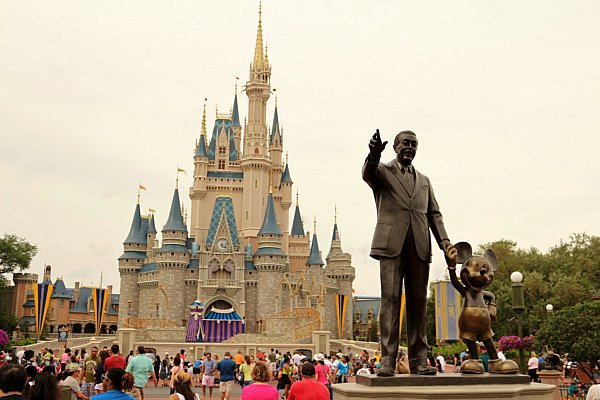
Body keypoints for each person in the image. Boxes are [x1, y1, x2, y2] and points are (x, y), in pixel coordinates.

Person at [363, 129, 452, 376]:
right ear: (395, 147)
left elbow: (434, 214)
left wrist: (445, 242)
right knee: (390, 299)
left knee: (418, 302)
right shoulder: (383, 171)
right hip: (391, 244)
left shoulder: (424, 180)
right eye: (405, 143)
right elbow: (368, 174)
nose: (409, 147)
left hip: (420, 246)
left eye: (414, 144)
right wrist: (372, 155)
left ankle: (419, 360)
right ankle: (388, 361)